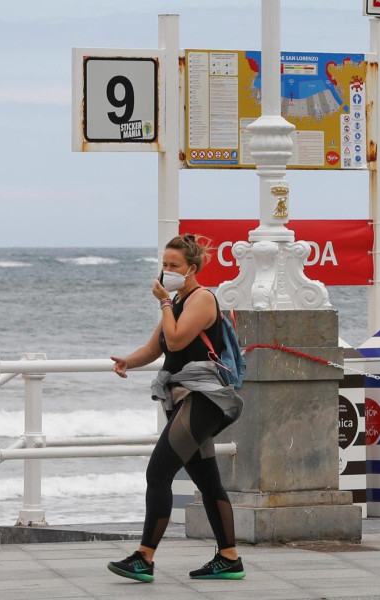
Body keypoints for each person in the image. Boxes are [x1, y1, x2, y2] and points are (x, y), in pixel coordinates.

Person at [106, 234, 245, 582]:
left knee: (158, 473)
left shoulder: (200, 299)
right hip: (185, 398)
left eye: (174, 266)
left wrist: (165, 302)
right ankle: (229, 557)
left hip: (204, 399)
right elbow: (158, 346)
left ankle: (144, 557)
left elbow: (179, 337)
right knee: (207, 481)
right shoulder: (180, 300)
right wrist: (128, 361)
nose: (166, 271)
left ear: (192, 269)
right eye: (164, 265)